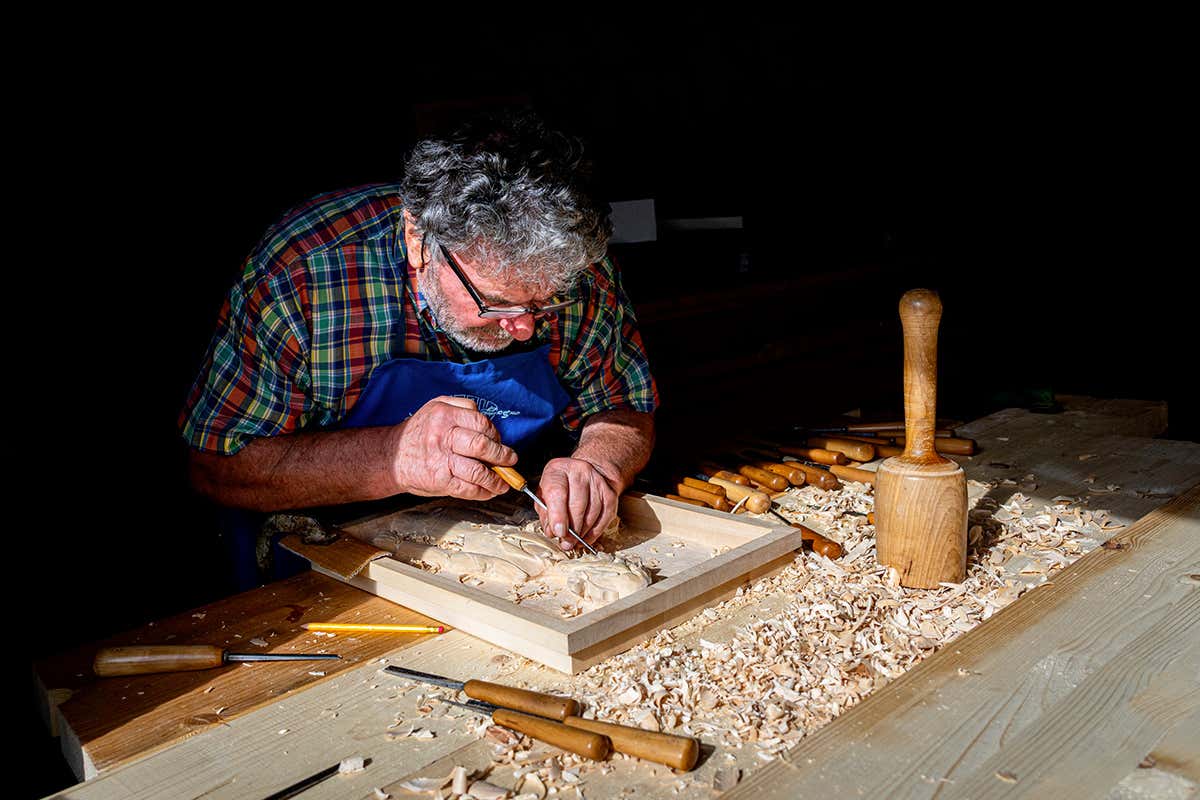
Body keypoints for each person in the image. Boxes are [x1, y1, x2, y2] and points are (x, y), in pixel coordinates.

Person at [179, 111, 658, 584]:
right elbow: (216, 465)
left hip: (508, 546)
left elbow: (622, 404)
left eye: (543, 304)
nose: (524, 329)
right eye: (494, 304)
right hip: (319, 553)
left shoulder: (573, 268)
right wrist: (392, 456)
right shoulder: (304, 276)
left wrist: (598, 464)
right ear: (418, 240)